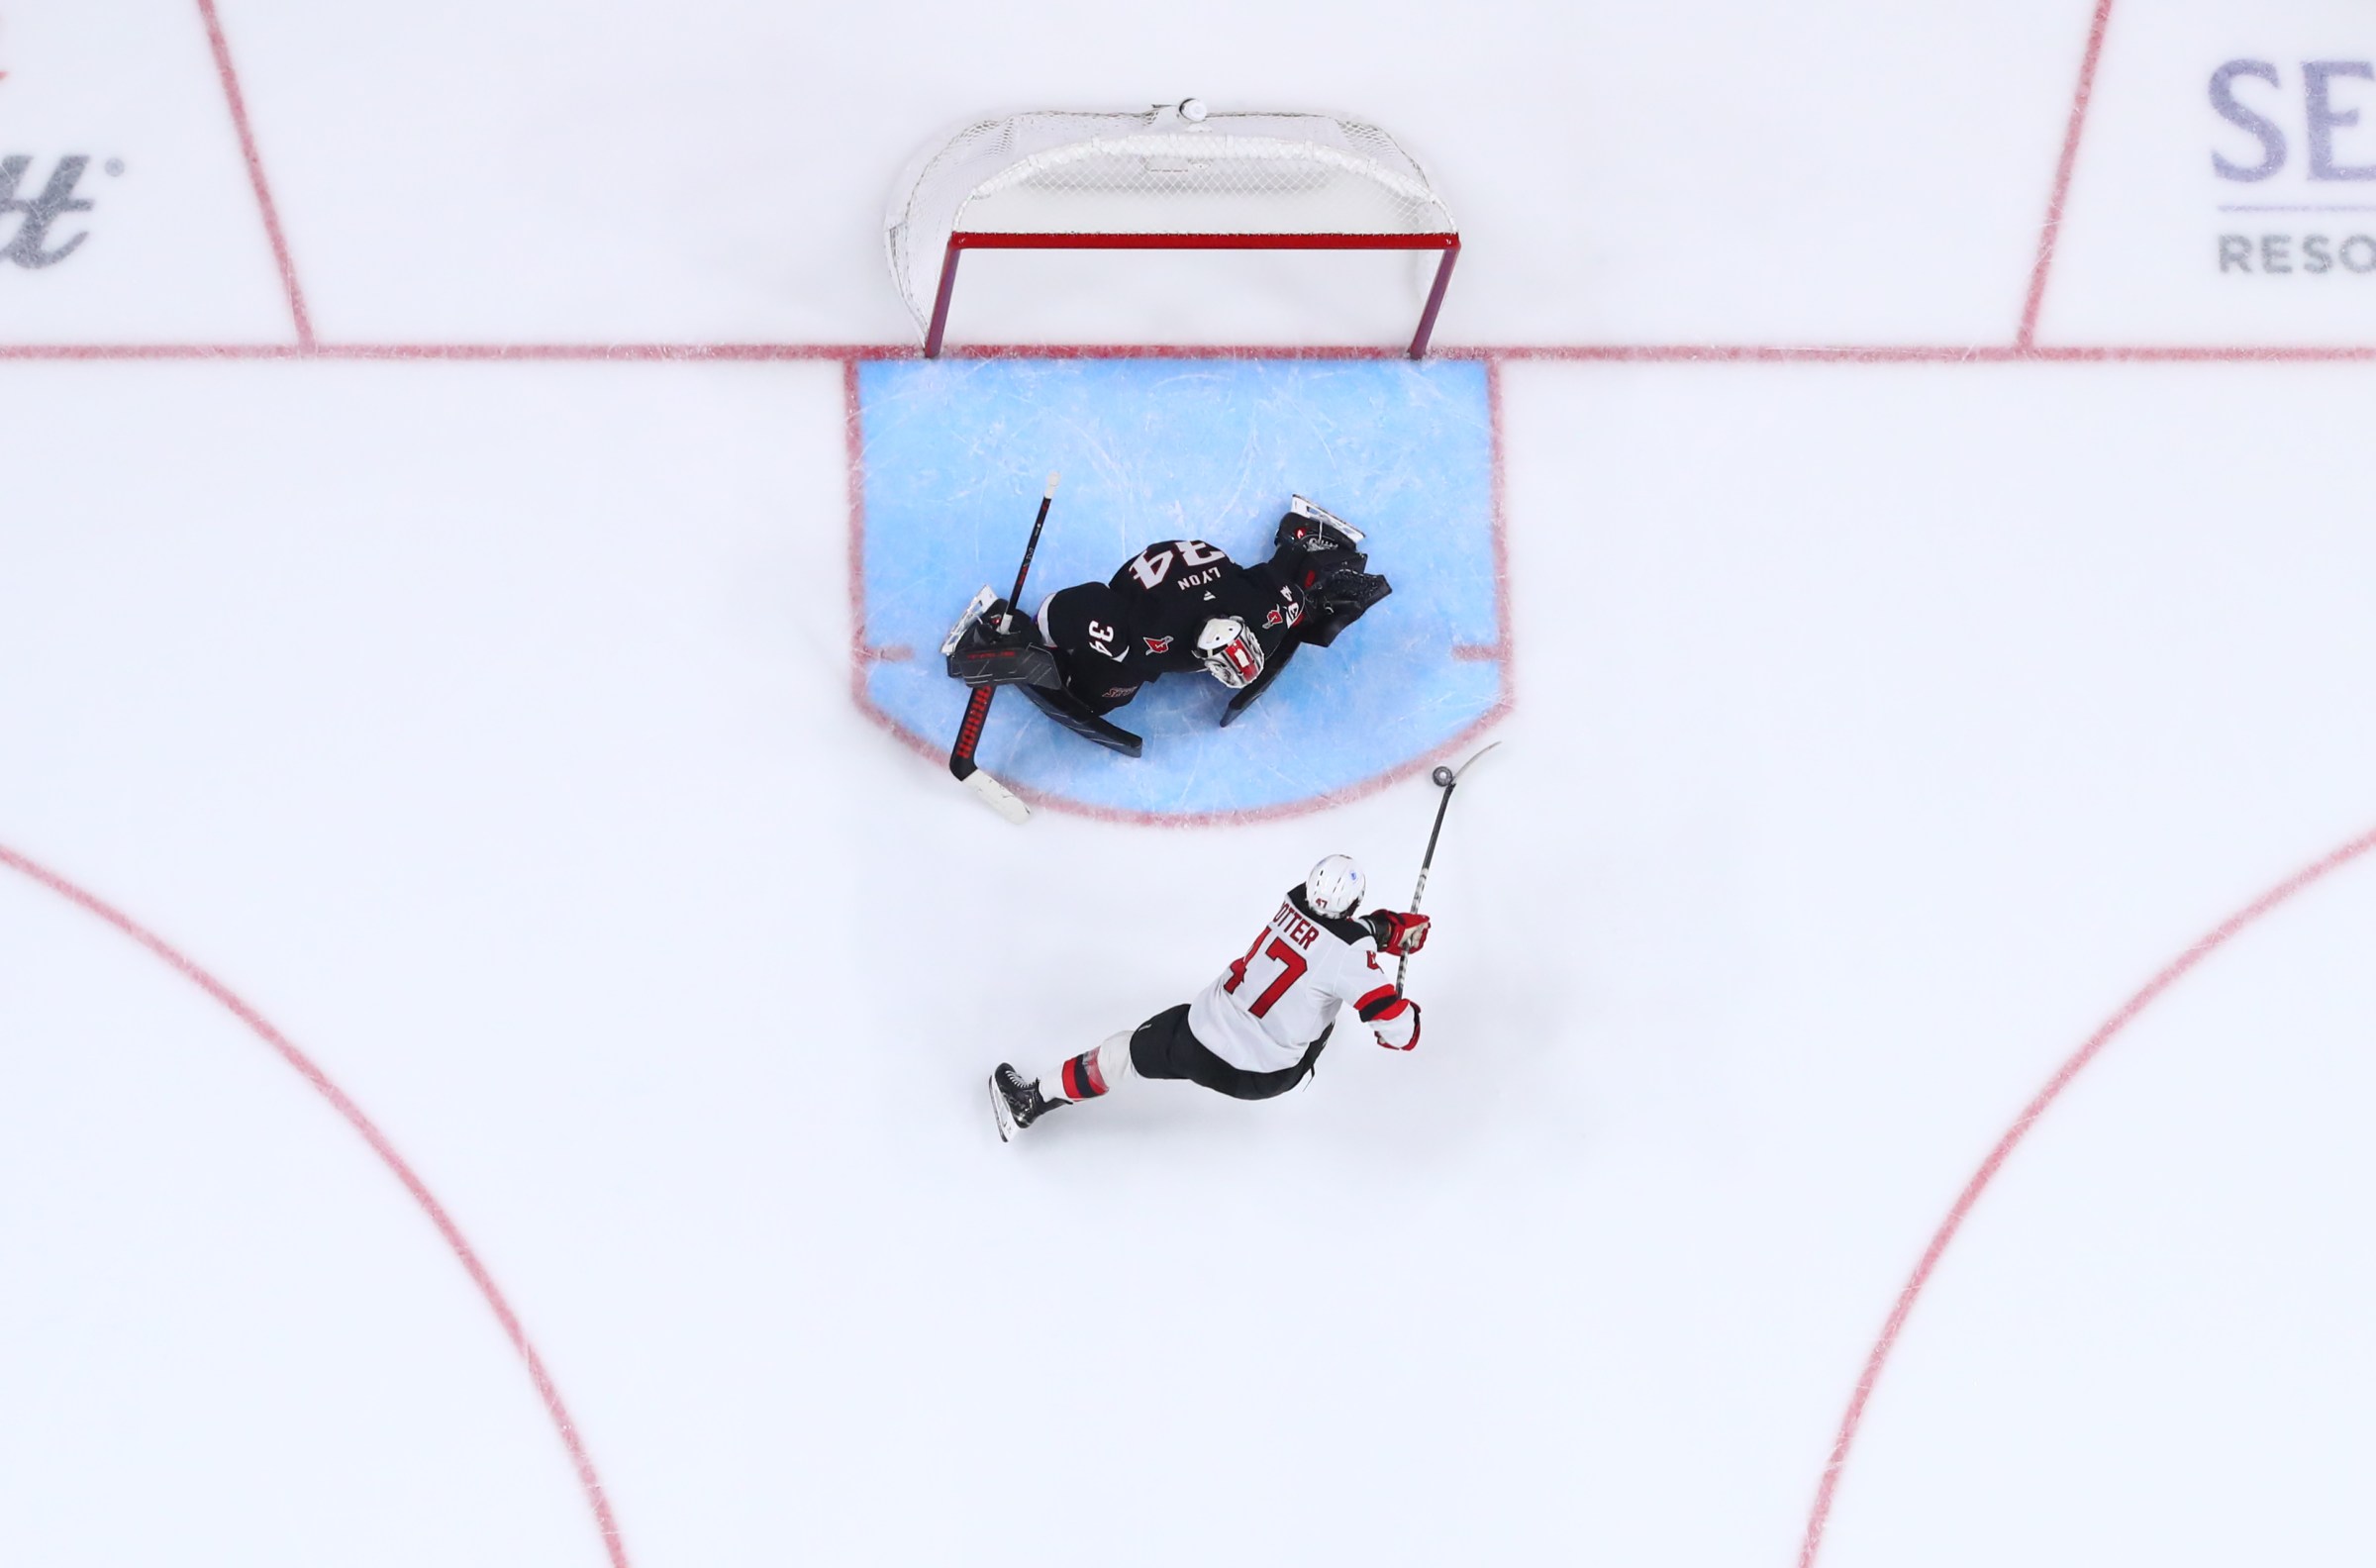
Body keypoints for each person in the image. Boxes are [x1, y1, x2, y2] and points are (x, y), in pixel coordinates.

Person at [989, 853, 1432, 1140]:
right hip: (1267, 1075)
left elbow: (1331, 935)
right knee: (1324, 1004)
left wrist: (1380, 931)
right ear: (1356, 905)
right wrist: (1394, 989)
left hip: (1198, 1038)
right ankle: (1303, 1045)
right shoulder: (1352, 957)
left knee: (1121, 1052)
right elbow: (1399, 1031)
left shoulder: (1294, 900)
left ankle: (1033, 1100)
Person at [944, 498, 1392, 752]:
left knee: (1273, 591)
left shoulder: (1268, 617)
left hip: (1214, 580)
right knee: (1101, 693)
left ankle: (1297, 534)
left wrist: (1314, 568)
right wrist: (1029, 634)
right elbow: (1074, 605)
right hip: (1149, 584)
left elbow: (1289, 585)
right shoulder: (1146, 637)